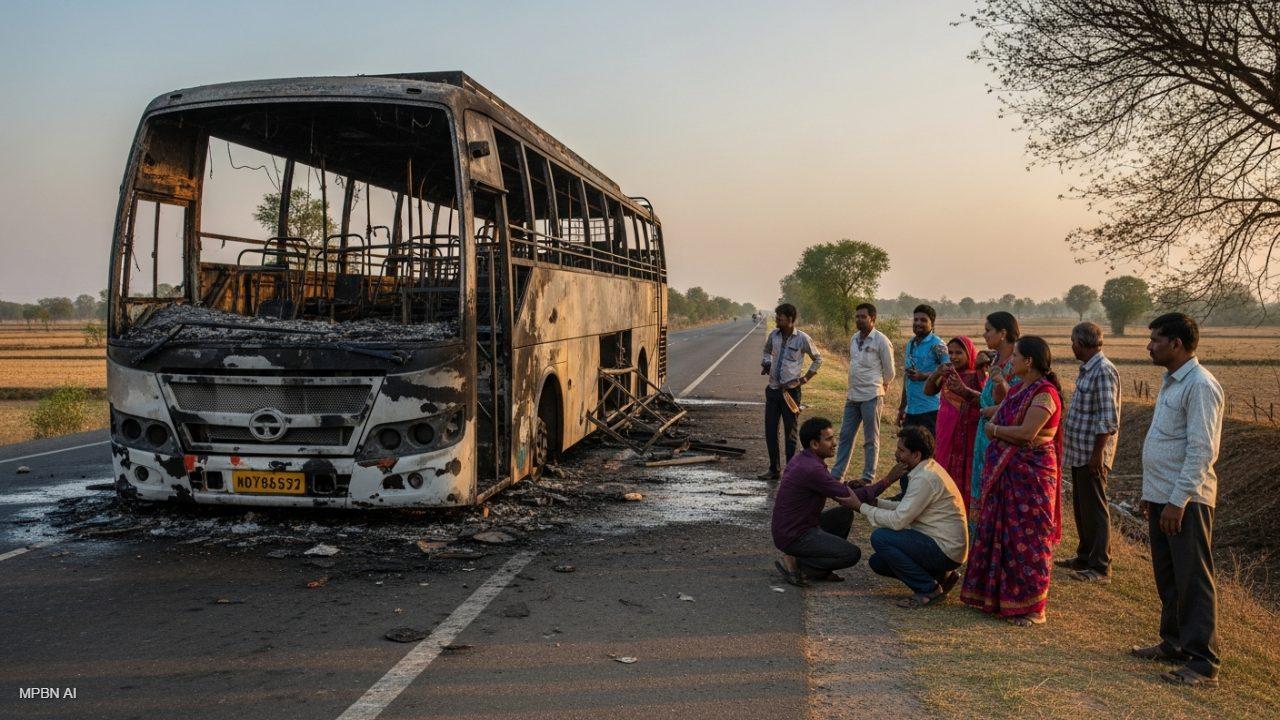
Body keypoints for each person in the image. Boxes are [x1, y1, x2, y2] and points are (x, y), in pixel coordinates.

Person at [1131, 313, 1223, 688]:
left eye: (1156, 339)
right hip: (1162, 496)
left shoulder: (1201, 385)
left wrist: (1177, 500)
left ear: (1177, 344)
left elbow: (1202, 450)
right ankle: (1173, 642)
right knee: (1168, 575)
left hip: (1186, 500)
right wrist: (1152, 495)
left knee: (1193, 579)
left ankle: (1202, 662)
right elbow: (1167, 442)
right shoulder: (1171, 382)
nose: (1150, 345)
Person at [961, 335, 1063, 627]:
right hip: (1009, 471)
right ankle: (996, 597)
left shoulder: (1045, 394)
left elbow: (1028, 432)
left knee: (1028, 538)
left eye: (1016, 356)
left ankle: (1032, 606)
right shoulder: (1020, 388)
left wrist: (995, 430)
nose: (1012, 360)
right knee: (1002, 532)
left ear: (1029, 361)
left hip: (1031, 475)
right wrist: (993, 389)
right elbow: (1002, 408)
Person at [850, 426, 968, 608]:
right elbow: (908, 508)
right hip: (942, 546)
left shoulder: (925, 478)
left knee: (880, 538)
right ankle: (939, 578)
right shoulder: (926, 470)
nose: (896, 455)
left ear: (916, 455)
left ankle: (929, 588)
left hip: (945, 550)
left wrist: (862, 508)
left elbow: (899, 521)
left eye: (901, 451)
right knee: (878, 562)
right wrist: (877, 503)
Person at [1055, 321, 1121, 583]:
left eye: (1073, 342)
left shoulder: (1103, 371)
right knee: (1083, 507)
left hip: (1092, 453)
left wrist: (1097, 455)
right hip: (1080, 450)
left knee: (1095, 508)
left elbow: (1108, 419)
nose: (1071, 346)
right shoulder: (1088, 369)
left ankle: (1100, 566)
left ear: (1080, 343)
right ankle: (1084, 556)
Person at [771, 417, 862, 585]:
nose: (834, 443)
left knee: (843, 514)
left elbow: (835, 488)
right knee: (851, 554)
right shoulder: (812, 469)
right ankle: (798, 564)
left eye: (833, 438)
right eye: (828, 439)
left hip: (794, 528)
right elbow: (846, 496)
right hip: (795, 535)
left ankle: (819, 569)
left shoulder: (804, 459)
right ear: (814, 444)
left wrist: (850, 485)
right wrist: (889, 480)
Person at [970, 311, 1021, 536]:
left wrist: (989, 410)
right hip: (985, 433)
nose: (984, 334)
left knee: (995, 493)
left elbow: (1018, 402)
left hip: (1001, 435)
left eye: (988, 329)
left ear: (1003, 333)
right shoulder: (995, 361)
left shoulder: (1016, 365)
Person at [832, 303, 896, 482]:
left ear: (872, 318)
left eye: (863, 317)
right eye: (857, 317)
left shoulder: (881, 341)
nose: (859, 320)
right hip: (852, 396)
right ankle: (837, 475)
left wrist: (884, 385)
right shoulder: (854, 338)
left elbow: (890, 371)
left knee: (870, 439)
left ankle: (868, 477)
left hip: (871, 396)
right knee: (845, 435)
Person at [758, 303, 823, 480]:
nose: (777, 319)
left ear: (791, 319)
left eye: (780, 317)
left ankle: (791, 471)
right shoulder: (774, 335)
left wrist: (805, 378)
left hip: (791, 393)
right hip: (772, 390)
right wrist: (766, 361)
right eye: (777, 316)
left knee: (790, 433)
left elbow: (818, 359)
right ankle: (774, 469)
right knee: (770, 430)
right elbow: (766, 351)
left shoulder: (802, 338)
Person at [923, 336, 986, 512]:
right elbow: (928, 390)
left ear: (969, 353)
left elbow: (985, 401)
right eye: (950, 353)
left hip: (969, 434)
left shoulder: (979, 376)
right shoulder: (949, 374)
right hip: (946, 432)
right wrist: (937, 372)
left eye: (959, 352)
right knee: (944, 468)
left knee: (966, 473)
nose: (954, 357)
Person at [898, 304, 946, 434]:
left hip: (930, 409)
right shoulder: (911, 344)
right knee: (908, 450)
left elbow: (948, 370)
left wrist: (923, 376)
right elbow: (906, 378)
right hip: (911, 410)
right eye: (916, 319)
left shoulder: (938, 345)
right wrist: (902, 407)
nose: (918, 323)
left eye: (923, 320)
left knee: (929, 451)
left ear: (932, 323)